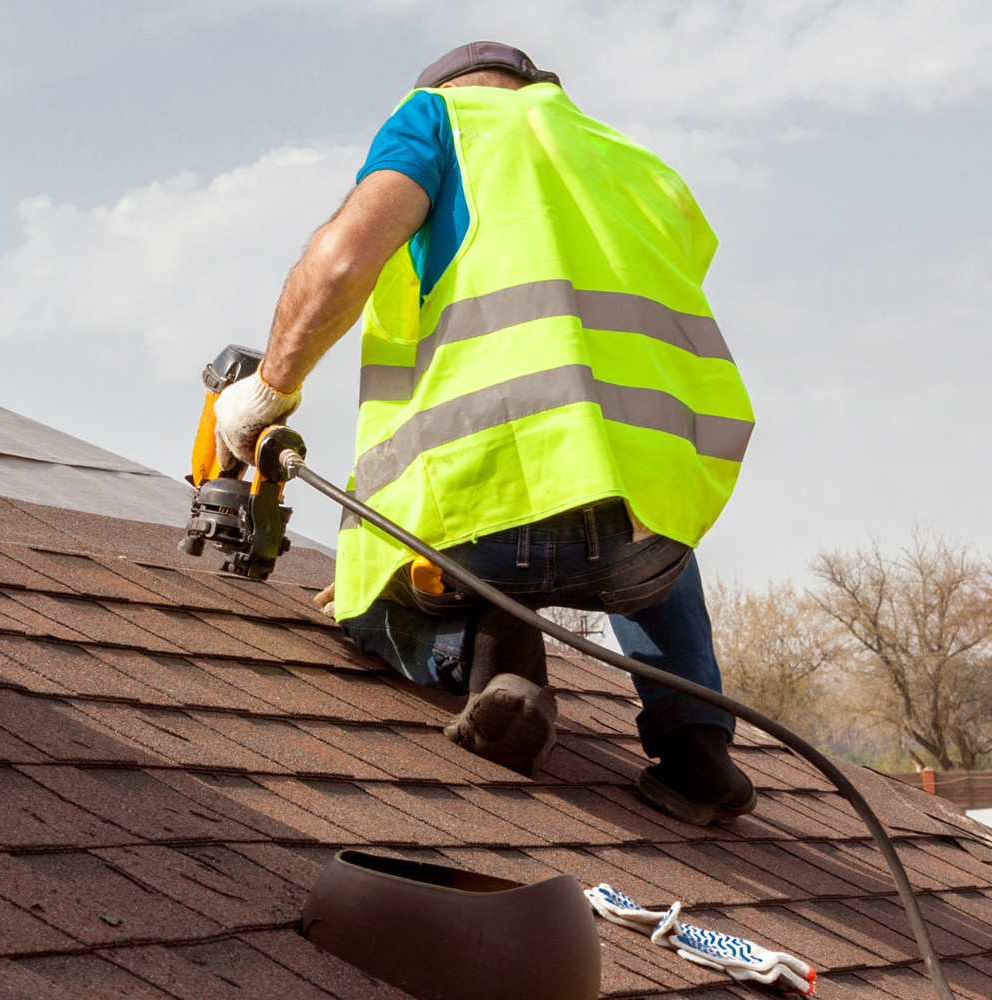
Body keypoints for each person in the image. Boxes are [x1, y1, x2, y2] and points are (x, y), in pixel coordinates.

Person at [213, 41, 756, 825]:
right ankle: (698, 747)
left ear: (453, 91)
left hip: (488, 522)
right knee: (639, 510)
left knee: (365, 601)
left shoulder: (440, 122)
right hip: (651, 531)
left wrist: (267, 392)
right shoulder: (632, 162)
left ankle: (499, 662)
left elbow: (339, 264)